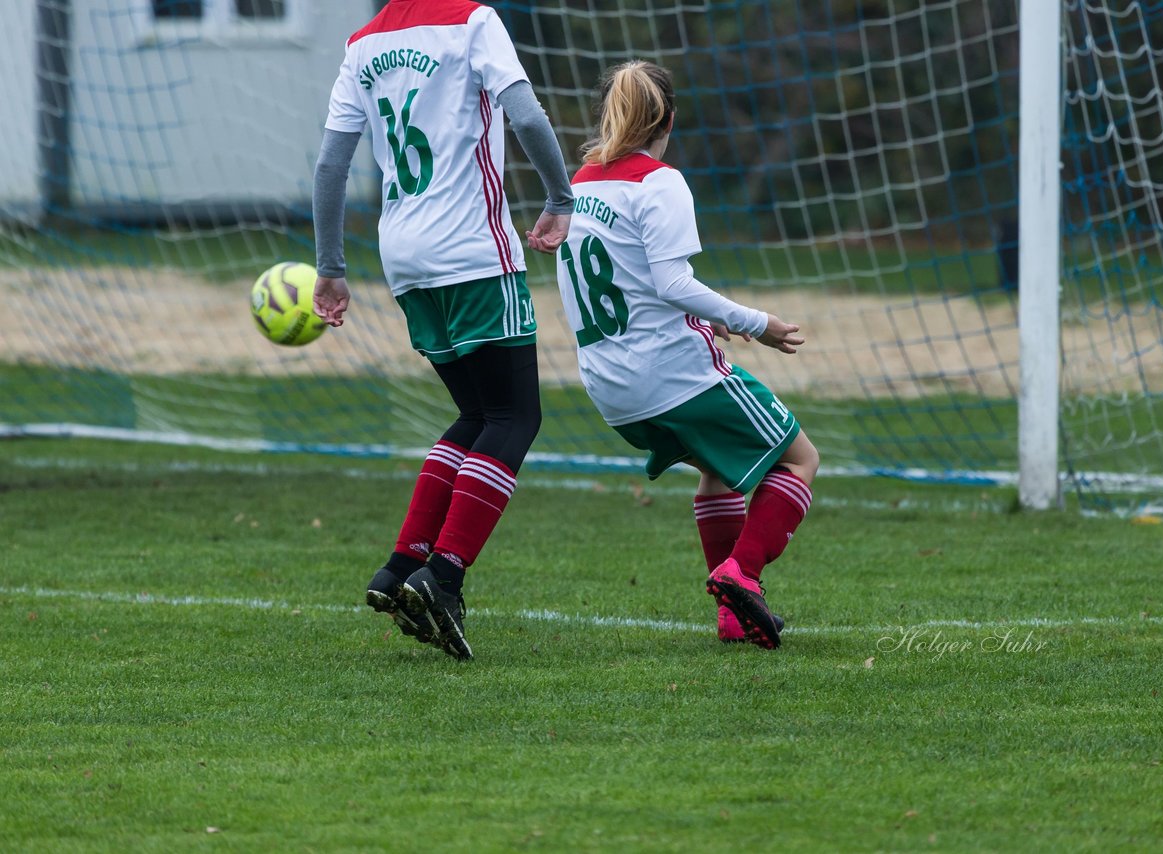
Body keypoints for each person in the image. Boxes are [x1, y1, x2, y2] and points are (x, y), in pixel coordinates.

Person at [310, 0, 573, 661]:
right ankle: (444, 576)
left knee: (477, 412)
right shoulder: (472, 21)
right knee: (514, 417)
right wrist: (561, 197)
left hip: (405, 259)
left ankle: (402, 564)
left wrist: (331, 268)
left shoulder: (362, 43)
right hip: (472, 252)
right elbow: (526, 113)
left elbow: (331, 166)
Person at [555, 61, 820, 649]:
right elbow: (672, 283)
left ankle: (733, 618)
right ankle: (740, 573)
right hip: (669, 372)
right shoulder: (661, 181)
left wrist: (695, 316)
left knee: (719, 474)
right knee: (800, 460)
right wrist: (759, 323)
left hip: (609, 385)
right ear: (669, 118)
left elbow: (624, 281)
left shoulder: (580, 183)